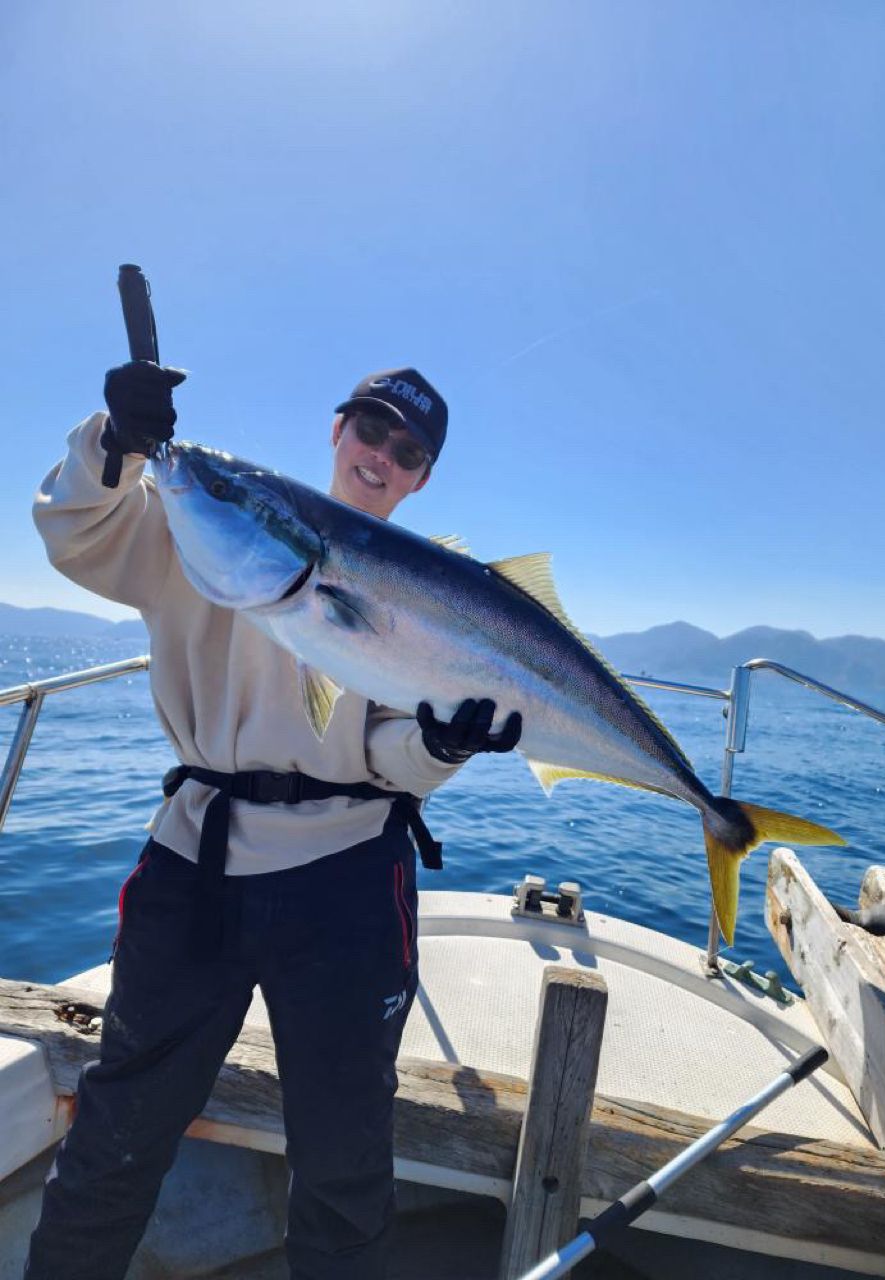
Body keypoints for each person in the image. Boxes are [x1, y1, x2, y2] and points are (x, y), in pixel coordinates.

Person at [25, 360, 521, 1280]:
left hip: (349, 882)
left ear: (421, 478)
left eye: (406, 450)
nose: (381, 454)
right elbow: (74, 529)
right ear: (337, 431)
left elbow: (387, 761)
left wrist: (444, 750)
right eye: (370, 430)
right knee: (117, 1134)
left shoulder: (421, 596)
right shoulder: (192, 527)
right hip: (195, 864)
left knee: (343, 1162)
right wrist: (117, 441)